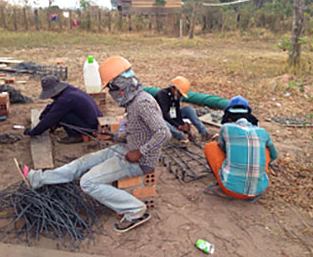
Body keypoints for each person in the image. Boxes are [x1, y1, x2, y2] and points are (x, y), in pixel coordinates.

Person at [20, 56, 171, 233]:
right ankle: (38, 178)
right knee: (81, 163)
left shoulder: (142, 103)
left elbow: (163, 133)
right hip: (126, 149)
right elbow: (137, 134)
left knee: (88, 182)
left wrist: (140, 152)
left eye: (110, 87)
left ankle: (135, 210)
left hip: (140, 162)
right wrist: (112, 137)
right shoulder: (133, 102)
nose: (110, 92)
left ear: (119, 85)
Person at [204, 95, 278, 200]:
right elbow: (274, 155)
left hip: (230, 189)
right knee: (265, 149)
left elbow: (224, 150)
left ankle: (226, 180)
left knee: (211, 146)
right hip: (258, 191)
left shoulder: (226, 128)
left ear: (229, 117)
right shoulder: (262, 132)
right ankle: (256, 177)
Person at [23, 75, 102, 144]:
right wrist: (43, 114)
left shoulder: (65, 100)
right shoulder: (69, 91)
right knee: (59, 112)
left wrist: (34, 132)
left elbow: (51, 117)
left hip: (90, 127)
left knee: (62, 116)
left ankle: (76, 136)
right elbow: (53, 106)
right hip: (95, 120)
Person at [154, 76, 213, 144]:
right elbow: (164, 114)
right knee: (162, 121)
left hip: (170, 116)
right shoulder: (162, 95)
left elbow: (176, 112)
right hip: (160, 117)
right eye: (180, 94)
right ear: (173, 88)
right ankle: (181, 137)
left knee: (188, 109)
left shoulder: (175, 97)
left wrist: (183, 125)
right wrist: (178, 126)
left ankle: (204, 133)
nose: (180, 96)